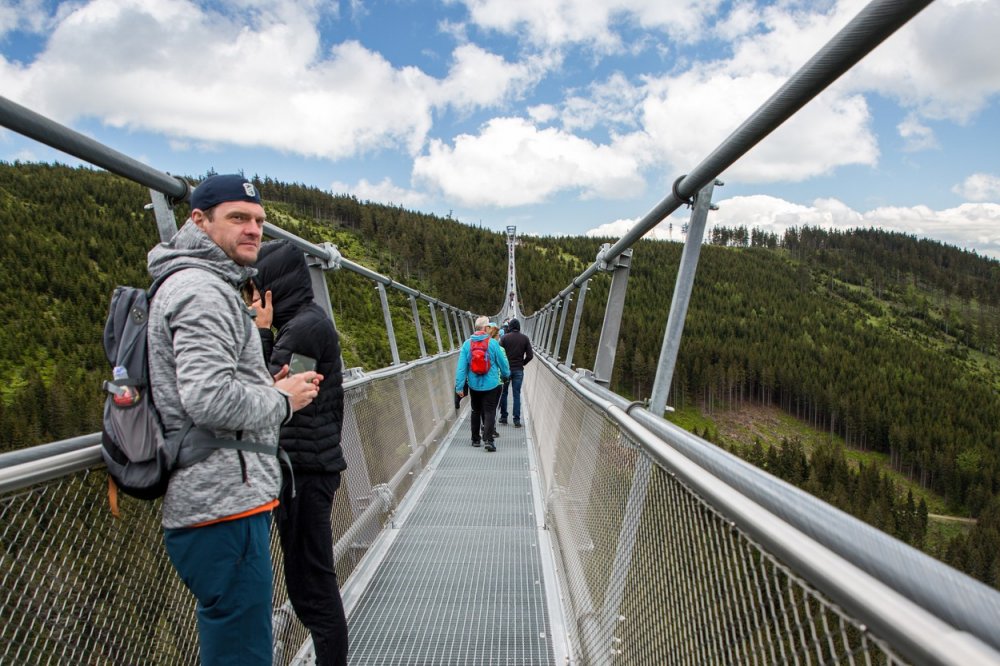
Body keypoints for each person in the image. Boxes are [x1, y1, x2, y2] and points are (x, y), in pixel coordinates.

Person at [147, 174, 322, 666]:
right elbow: (208, 399)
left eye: (259, 221)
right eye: (238, 218)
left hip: (221, 500)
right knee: (243, 654)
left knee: (236, 646)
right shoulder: (203, 292)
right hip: (222, 503)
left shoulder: (201, 284)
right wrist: (282, 399)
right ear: (198, 221)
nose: (253, 230)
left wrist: (268, 390)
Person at [252, 239, 349, 666]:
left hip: (306, 472)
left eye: (253, 291)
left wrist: (259, 333)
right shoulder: (305, 323)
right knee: (308, 585)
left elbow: (272, 392)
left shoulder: (305, 329)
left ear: (270, 292)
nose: (249, 300)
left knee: (313, 589)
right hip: (304, 468)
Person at [455, 316, 509, 452]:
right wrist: (506, 375)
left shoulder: (467, 344)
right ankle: (489, 440)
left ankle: (475, 439)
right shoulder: (493, 343)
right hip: (491, 384)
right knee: (490, 411)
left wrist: (459, 386)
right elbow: (503, 362)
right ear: (486, 328)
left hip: (474, 384)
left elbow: (462, 368)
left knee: (475, 410)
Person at [499, 317, 533, 428]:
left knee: (504, 393)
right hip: (518, 369)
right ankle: (516, 420)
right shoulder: (525, 339)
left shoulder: (504, 338)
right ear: (519, 327)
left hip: (506, 370)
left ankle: (504, 417)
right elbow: (530, 356)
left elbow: (499, 354)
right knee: (516, 394)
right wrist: (523, 363)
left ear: (509, 327)